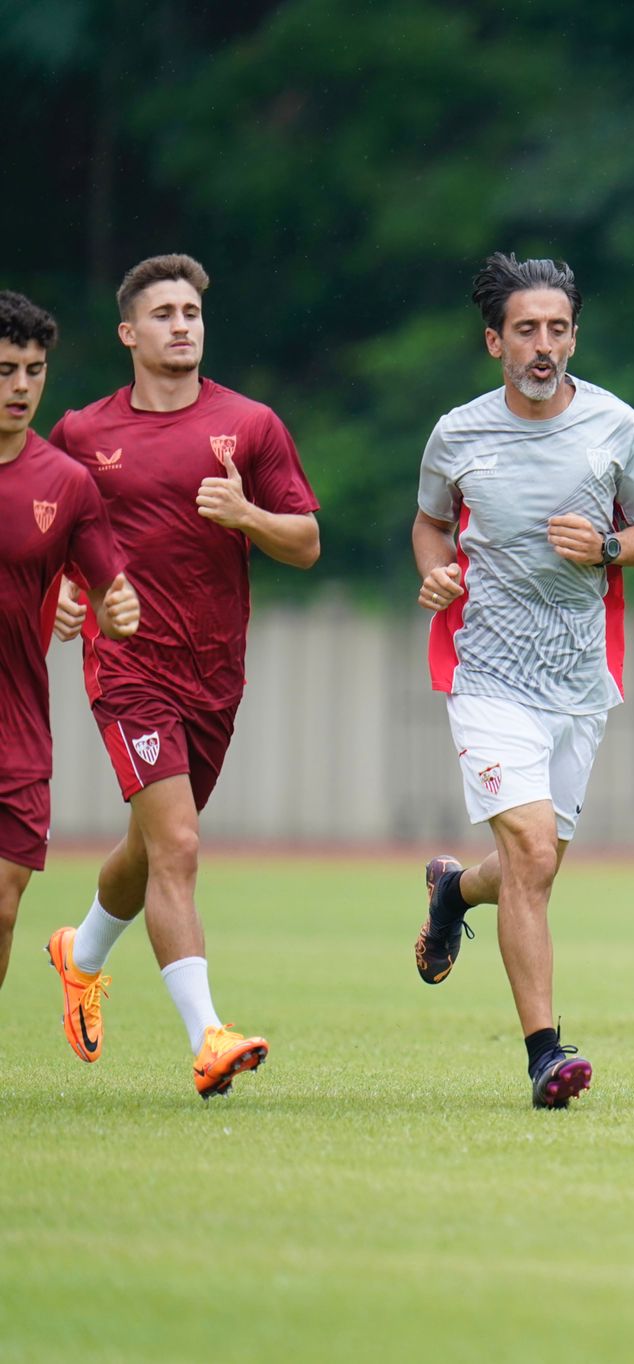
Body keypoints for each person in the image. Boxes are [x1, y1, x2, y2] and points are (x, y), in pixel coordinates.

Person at [44, 255, 319, 1100]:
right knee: (182, 847)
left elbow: (305, 543)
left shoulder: (253, 425)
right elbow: (44, 533)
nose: (181, 325)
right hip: (128, 667)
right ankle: (208, 1036)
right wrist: (59, 595)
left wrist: (247, 516)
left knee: (153, 844)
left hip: (215, 675)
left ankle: (80, 953)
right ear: (129, 332)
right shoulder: (84, 436)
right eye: (163, 313)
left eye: (192, 312)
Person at [412, 252, 634, 1110]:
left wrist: (603, 546)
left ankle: (453, 891)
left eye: (557, 329)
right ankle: (543, 1055)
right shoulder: (458, 433)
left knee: (532, 870)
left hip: (578, 683)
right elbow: (429, 523)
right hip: (487, 676)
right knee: (526, 852)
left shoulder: (615, 424)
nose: (543, 345)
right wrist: (438, 572)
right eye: (526, 329)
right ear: (495, 340)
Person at [0, 293, 138, 997]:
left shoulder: (65, 483)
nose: (21, 387)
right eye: (4, 370)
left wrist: (113, 608)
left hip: (19, 723)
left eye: (33, 370)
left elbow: (111, 585)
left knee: (3, 905)